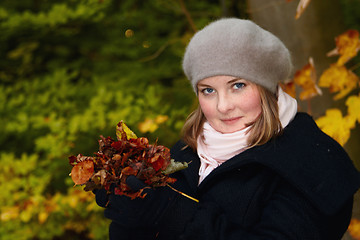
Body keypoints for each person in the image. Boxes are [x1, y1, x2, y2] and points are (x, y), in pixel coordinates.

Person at [95, 18, 360, 239]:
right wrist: (130, 213)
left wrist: (170, 213)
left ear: (267, 87)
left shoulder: (313, 162)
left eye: (238, 86)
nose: (222, 106)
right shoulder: (186, 152)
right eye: (208, 90)